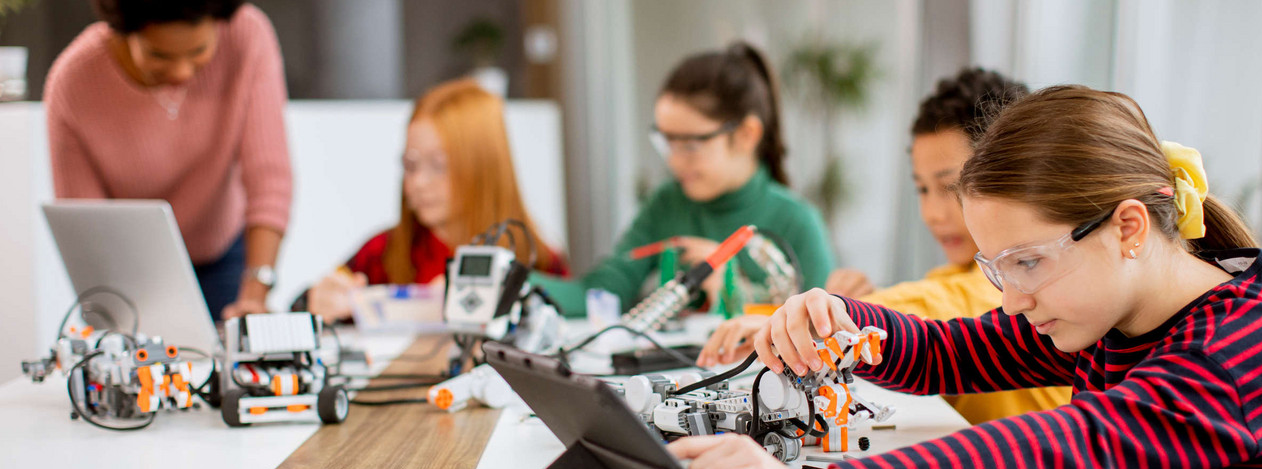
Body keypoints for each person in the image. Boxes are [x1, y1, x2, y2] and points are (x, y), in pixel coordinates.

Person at [669, 85, 1262, 469]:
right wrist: (843, 323)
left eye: (1027, 261)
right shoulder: (1116, 308)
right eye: (998, 268)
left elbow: (1071, 449)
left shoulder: (1243, 348)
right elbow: (956, 349)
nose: (1011, 298)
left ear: (1128, 227)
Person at [699, 68, 1071, 425]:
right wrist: (846, 310)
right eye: (921, 189)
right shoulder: (957, 274)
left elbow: (945, 305)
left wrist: (827, 320)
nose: (932, 213)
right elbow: (936, 335)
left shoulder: (1013, 286)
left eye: (950, 188)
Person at [531, 41, 835, 316]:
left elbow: (821, 329)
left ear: (746, 135)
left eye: (690, 145)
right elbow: (603, 291)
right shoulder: (667, 204)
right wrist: (509, 280)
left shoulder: (798, 222)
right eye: (667, 142)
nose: (674, 161)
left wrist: (735, 289)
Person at [46, 0, 292, 321]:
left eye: (198, 51)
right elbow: (88, 227)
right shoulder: (73, 82)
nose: (181, 72)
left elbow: (269, 177)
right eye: (158, 55)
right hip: (135, 270)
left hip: (224, 253)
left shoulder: (247, 35)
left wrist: (256, 293)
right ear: (123, 31)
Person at [304, 79, 568, 323]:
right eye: (410, 165)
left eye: (438, 166)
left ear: (484, 169)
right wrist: (313, 304)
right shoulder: (379, 255)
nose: (418, 182)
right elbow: (308, 310)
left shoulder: (541, 263)